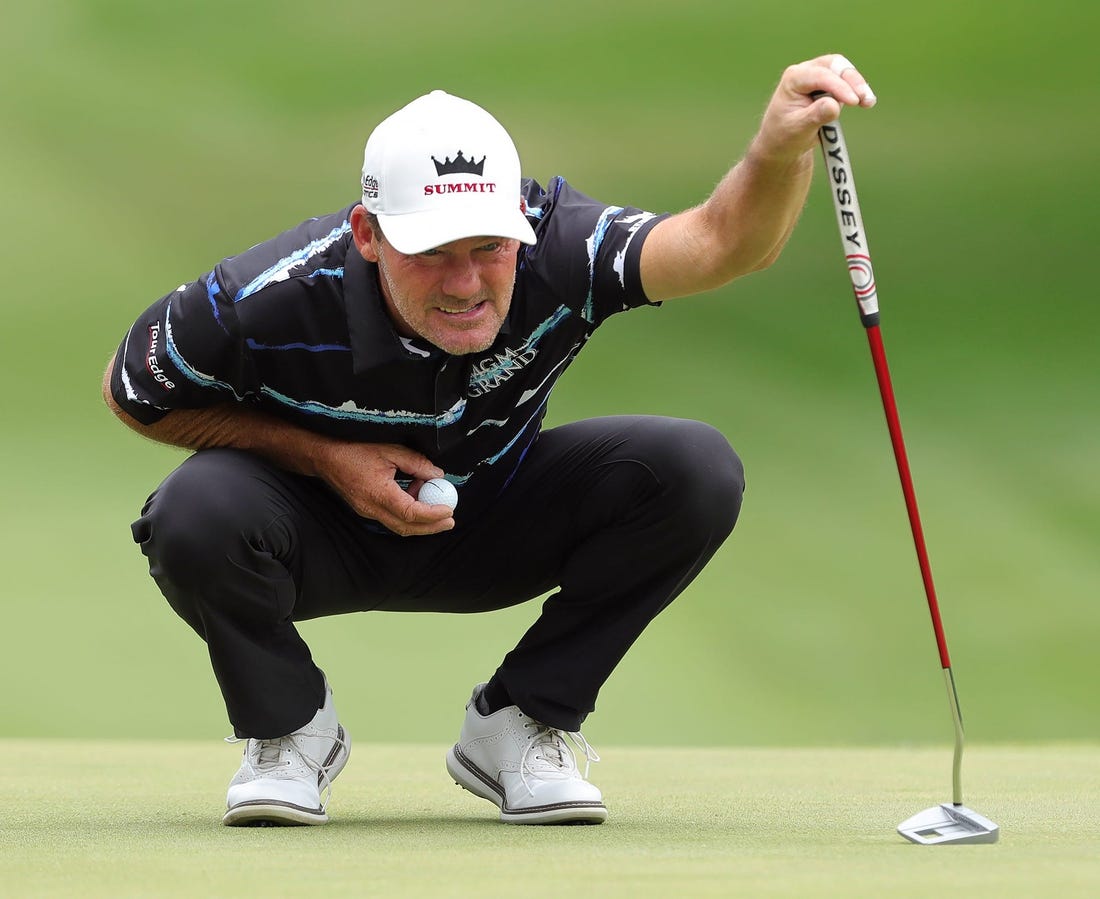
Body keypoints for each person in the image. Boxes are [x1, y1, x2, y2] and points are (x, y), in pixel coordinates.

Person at [103, 54, 875, 827]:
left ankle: (520, 723)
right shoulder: (268, 295)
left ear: (522, 227)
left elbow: (719, 246)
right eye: (432, 251)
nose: (465, 282)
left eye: (487, 247)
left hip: (492, 520)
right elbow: (133, 390)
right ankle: (289, 730)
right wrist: (327, 458)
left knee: (691, 469)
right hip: (315, 534)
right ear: (368, 234)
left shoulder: (563, 245)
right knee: (192, 510)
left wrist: (778, 151)